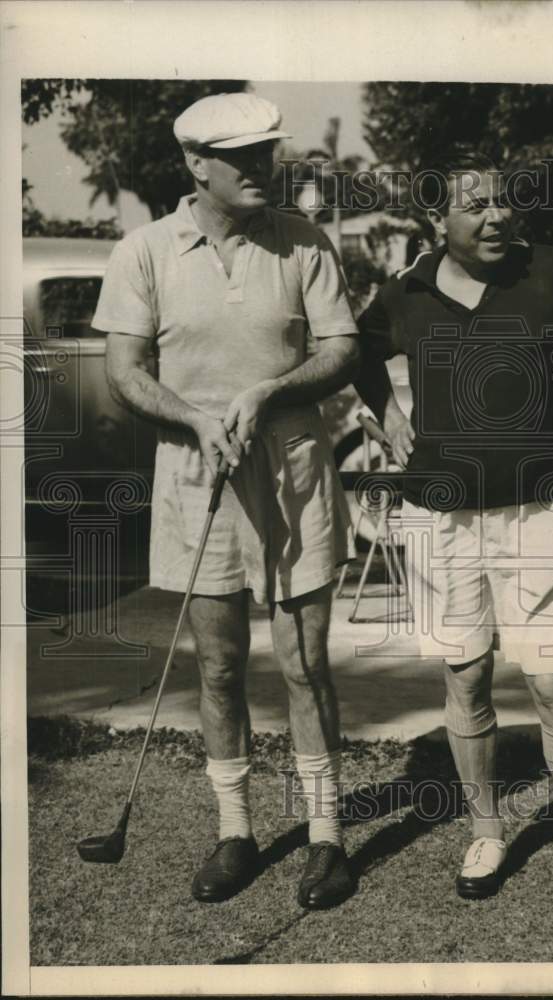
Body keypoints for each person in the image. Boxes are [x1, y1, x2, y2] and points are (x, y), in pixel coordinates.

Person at [93, 92, 359, 910]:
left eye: (267, 151)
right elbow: (126, 369)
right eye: (240, 155)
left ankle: (324, 840)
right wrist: (195, 418)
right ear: (194, 164)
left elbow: (341, 348)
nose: (259, 167)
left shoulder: (304, 243)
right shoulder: (143, 250)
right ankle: (236, 831)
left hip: (292, 465)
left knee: (306, 664)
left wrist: (271, 391)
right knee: (218, 664)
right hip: (194, 468)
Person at [355, 147, 553, 933]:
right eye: (475, 204)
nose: (497, 215)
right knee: (465, 676)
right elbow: (358, 355)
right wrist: (387, 418)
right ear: (437, 219)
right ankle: (483, 835)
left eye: (504, 201)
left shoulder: (552, 274)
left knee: (551, 684)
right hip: (438, 511)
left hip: (537, 507)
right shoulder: (403, 292)